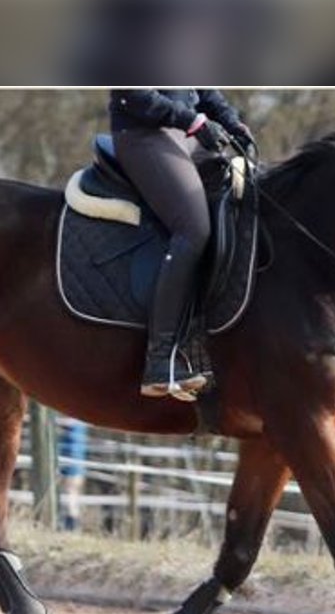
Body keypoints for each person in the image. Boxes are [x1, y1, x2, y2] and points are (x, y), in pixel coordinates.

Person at [108, 89, 255, 400]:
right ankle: (160, 359)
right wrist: (194, 120)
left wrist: (232, 122)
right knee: (193, 228)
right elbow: (133, 95)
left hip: (187, 136)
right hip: (144, 132)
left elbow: (202, 88)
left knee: (245, 202)